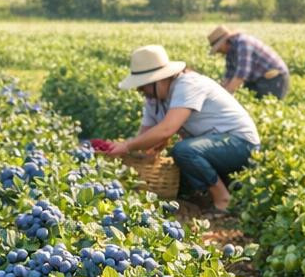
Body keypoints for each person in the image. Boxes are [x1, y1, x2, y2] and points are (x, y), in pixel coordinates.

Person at [106, 45, 262, 213]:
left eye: (143, 86)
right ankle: (205, 195)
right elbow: (144, 136)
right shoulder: (154, 99)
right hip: (215, 148)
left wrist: (128, 145)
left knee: (184, 151)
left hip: (240, 144)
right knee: (180, 155)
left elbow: (167, 129)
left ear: (159, 79)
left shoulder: (188, 84)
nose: (141, 91)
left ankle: (223, 200)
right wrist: (130, 149)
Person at [209, 26, 290, 99]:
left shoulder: (243, 43)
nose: (218, 51)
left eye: (218, 48)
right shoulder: (229, 52)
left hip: (274, 79)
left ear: (225, 42)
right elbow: (228, 77)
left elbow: (241, 75)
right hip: (257, 80)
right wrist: (219, 92)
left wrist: (224, 97)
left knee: (266, 103)